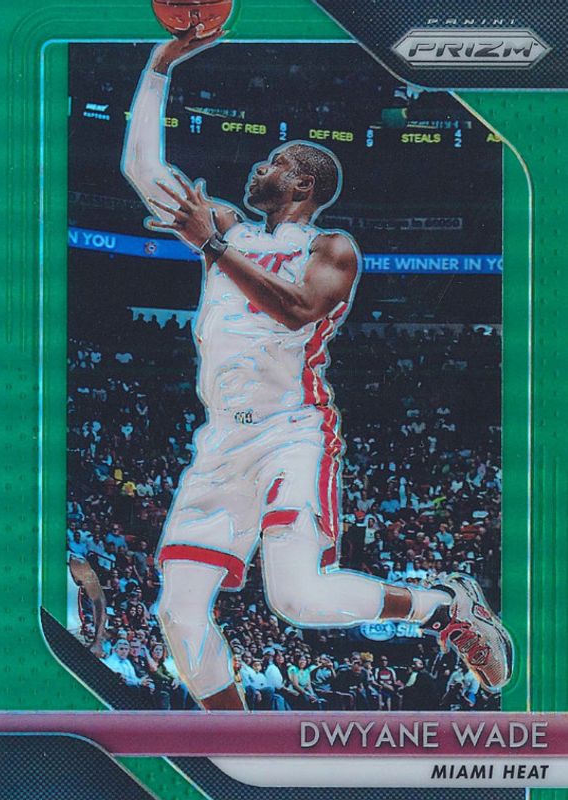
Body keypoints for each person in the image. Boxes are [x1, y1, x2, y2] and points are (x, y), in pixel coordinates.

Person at [121, 28, 512, 711]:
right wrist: (158, 68)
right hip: (221, 441)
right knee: (177, 615)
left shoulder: (329, 247)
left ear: (302, 183)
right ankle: (237, 751)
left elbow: (299, 310)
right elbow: (144, 170)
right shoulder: (228, 228)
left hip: (290, 430)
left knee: (298, 598)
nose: (257, 169)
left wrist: (211, 248)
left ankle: (442, 607)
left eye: (273, 162)